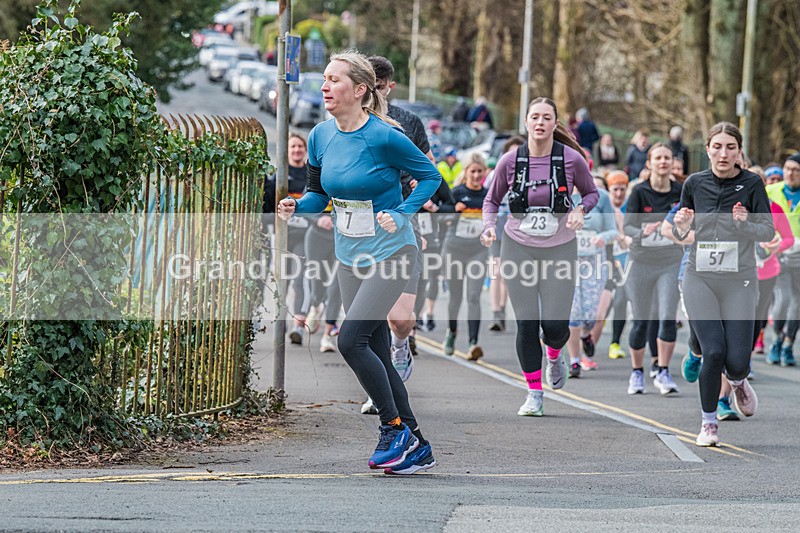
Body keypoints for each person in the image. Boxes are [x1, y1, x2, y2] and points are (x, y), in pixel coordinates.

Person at [277, 50, 441, 474]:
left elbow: (430, 177)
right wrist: (298, 206)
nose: (325, 86)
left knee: (350, 340)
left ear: (361, 89)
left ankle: (392, 429)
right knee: (380, 355)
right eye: (324, 80)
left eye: (334, 79)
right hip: (350, 256)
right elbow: (319, 192)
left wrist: (403, 212)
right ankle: (418, 445)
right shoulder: (320, 136)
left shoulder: (384, 136)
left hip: (393, 252)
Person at [481, 97, 598, 416]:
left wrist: (579, 210)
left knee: (555, 326)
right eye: (535, 117)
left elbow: (591, 193)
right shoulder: (510, 161)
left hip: (560, 248)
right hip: (518, 246)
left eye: (547, 117)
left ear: (555, 123)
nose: (540, 122)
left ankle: (555, 353)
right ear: (526, 122)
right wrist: (490, 227)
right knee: (527, 323)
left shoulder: (572, 159)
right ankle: (534, 392)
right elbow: (491, 201)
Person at [672, 122, 773, 446]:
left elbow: (768, 232)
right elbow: (680, 232)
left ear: (739, 151)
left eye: (730, 147)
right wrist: (680, 225)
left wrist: (745, 224)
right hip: (699, 276)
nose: (723, 153)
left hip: (739, 280)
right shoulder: (694, 183)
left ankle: (739, 380)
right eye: (717, 147)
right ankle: (709, 423)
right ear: (708, 149)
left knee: (737, 361)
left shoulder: (752, 183)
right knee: (714, 351)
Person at [623, 142, 683, 396]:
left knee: (668, 317)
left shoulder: (680, 192)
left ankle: (663, 370)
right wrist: (641, 231)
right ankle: (637, 372)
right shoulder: (639, 192)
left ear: (672, 162)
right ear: (649, 162)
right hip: (641, 262)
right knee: (641, 320)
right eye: (658, 157)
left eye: (667, 158)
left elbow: (689, 223)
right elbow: (627, 227)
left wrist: (680, 228)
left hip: (669, 261)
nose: (663, 162)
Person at [263, 133, 312, 345]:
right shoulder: (279, 176)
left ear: (305, 150)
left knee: (302, 280)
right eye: (292, 147)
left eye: (300, 147)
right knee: (283, 281)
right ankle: (280, 320)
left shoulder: (312, 175)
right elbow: (268, 204)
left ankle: (298, 327)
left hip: (305, 235)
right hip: (283, 235)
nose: (296, 150)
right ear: (287, 151)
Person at [441, 154, 491, 360]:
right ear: (466, 172)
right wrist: (454, 210)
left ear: (485, 172)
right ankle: (451, 332)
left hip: (478, 250)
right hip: (455, 249)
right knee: (455, 296)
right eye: (473, 171)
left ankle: (473, 343)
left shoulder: (488, 196)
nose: (477, 175)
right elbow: (441, 214)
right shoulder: (457, 193)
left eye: (480, 171)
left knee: (473, 296)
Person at [566, 184, 618, 377]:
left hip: (595, 262)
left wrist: (602, 237)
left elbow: (614, 231)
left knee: (591, 315)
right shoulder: (561, 195)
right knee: (573, 312)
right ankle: (574, 361)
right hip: (567, 261)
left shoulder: (601, 197)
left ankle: (586, 334)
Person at [485, 136, 525, 332]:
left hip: (517, 227)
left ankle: (504, 311)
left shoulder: (528, 175)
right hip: (498, 225)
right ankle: (496, 313)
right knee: (496, 271)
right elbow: (486, 199)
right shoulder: (495, 175)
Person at [765, 153, 800, 366]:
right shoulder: (771, 191)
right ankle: (776, 337)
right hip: (779, 255)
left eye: (796, 170)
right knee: (783, 299)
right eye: (788, 168)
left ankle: (788, 344)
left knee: (798, 303)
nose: (790, 173)